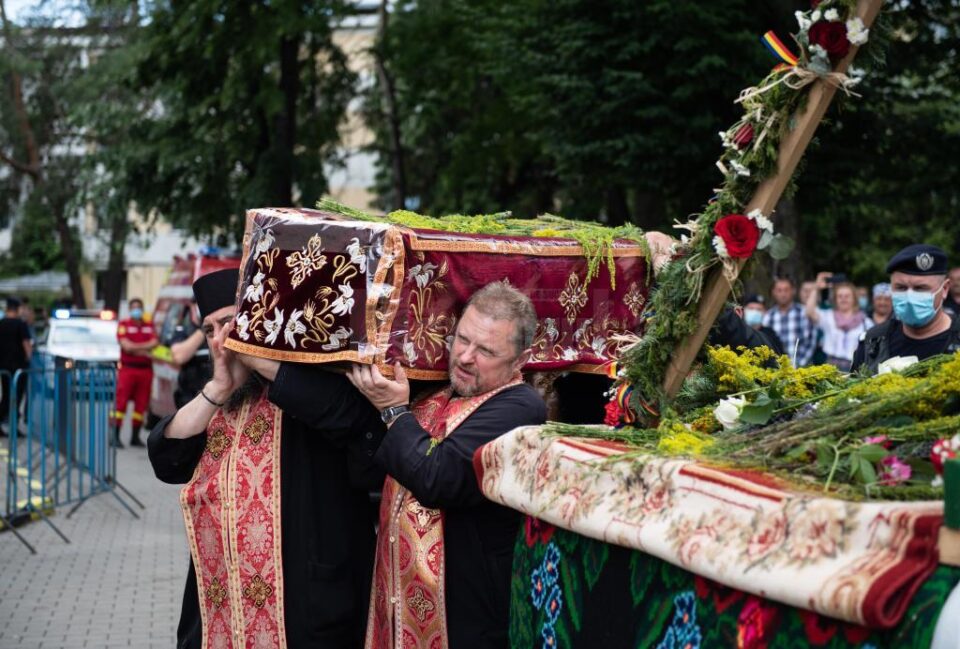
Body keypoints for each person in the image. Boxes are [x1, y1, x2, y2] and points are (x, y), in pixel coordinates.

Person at [148, 267, 385, 649]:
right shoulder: (219, 397)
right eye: (209, 330)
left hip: (305, 605)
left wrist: (261, 360)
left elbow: (353, 425)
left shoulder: (318, 383)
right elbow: (166, 459)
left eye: (229, 323)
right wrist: (219, 387)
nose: (219, 340)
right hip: (222, 608)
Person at [347, 280, 547, 649]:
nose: (465, 357)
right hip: (398, 609)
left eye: (485, 350)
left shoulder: (521, 406)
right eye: (462, 339)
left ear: (520, 361)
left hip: (466, 621)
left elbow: (439, 477)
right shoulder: (439, 393)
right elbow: (367, 472)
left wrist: (393, 412)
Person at [852, 245, 960, 374]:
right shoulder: (873, 343)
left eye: (920, 288)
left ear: (944, 289)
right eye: (901, 288)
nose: (909, 297)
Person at [113, 298, 158, 447]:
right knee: (121, 403)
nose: (136, 310)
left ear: (142, 309)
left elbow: (155, 343)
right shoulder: (124, 325)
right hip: (128, 369)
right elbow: (126, 347)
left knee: (141, 405)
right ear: (130, 310)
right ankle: (115, 435)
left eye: (139, 307)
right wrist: (145, 350)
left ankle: (134, 437)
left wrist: (135, 348)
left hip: (145, 371)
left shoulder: (149, 325)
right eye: (134, 307)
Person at [805, 273, 873, 371]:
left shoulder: (865, 322)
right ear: (835, 299)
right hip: (830, 366)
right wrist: (816, 288)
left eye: (847, 296)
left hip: (855, 367)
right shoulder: (828, 316)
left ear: (854, 299)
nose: (843, 299)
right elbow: (809, 311)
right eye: (840, 296)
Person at [169, 299, 212, 409]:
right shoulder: (183, 329)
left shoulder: (221, 327)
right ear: (192, 307)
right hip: (190, 397)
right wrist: (205, 330)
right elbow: (179, 357)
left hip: (215, 397)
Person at [762, 278, 815, 366]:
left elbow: (810, 342)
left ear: (793, 291)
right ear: (773, 292)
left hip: (802, 370)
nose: (783, 294)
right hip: (775, 370)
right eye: (779, 290)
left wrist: (798, 365)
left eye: (786, 290)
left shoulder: (803, 313)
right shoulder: (768, 317)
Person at [0, 298, 33, 437]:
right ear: (17, 308)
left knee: (6, 396)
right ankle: (14, 426)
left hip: (4, 366)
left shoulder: (1, 323)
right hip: (19, 367)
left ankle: (5, 423)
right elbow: (26, 343)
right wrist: (29, 357)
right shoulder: (20, 324)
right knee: (17, 397)